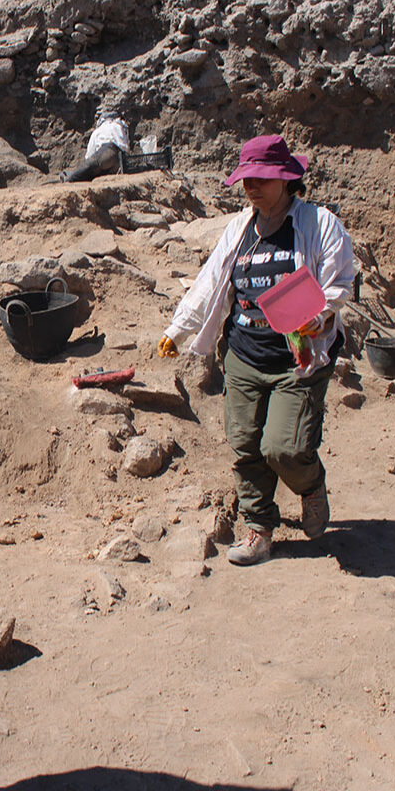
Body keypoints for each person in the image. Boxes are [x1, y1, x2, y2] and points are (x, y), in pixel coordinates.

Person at [157, 134, 355, 566]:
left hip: (297, 358)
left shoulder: (319, 224)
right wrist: (178, 330)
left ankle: (311, 485)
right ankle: (259, 529)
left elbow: (338, 284)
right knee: (246, 444)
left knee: (283, 447)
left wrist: (319, 317)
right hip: (245, 353)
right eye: (246, 179)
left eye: (262, 179)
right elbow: (210, 283)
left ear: (286, 180)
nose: (251, 187)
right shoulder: (239, 230)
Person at [58, 107, 129, 182]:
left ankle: (69, 179)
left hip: (107, 153)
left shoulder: (99, 130)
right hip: (121, 160)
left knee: (88, 168)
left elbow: (89, 156)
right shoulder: (121, 127)